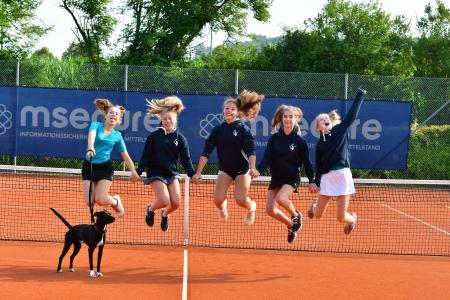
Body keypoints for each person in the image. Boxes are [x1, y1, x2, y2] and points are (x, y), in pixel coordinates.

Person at [192, 90, 264, 225]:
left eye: (232, 109)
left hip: (242, 170)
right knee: (217, 200)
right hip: (225, 169)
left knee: (240, 200)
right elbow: (206, 152)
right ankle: (223, 207)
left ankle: (251, 207)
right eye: (227, 108)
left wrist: (252, 167)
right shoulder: (217, 129)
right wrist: (198, 173)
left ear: (238, 112)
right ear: (223, 110)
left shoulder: (243, 128)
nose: (229, 111)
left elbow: (251, 151)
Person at [254, 105, 318, 243]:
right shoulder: (274, 139)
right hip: (276, 177)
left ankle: (296, 215)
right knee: (270, 210)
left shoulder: (300, 141)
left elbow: (307, 162)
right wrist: (259, 169)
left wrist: (312, 180)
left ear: (295, 119)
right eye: (285, 116)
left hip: (291, 178)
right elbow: (267, 157)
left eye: (291, 117)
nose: (288, 119)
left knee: (281, 199)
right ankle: (291, 226)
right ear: (281, 119)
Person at [307, 88, 366, 235]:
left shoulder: (339, 131)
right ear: (318, 127)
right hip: (327, 178)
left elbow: (351, 116)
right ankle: (314, 206)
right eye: (321, 119)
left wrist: (360, 95)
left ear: (330, 122)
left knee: (341, 218)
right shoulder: (319, 145)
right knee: (317, 215)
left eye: (326, 118)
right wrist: (315, 181)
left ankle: (352, 219)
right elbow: (320, 167)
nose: (325, 120)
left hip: (342, 175)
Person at [136, 96, 196, 232]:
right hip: (155, 172)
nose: (167, 121)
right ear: (161, 120)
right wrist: (138, 172)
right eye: (164, 119)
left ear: (175, 120)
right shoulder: (153, 136)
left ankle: (164, 214)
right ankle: (150, 209)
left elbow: (186, 159)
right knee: (164, 200)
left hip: (171, 173)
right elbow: (145, 156)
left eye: (170, 119)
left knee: (175, 203)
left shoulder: (180, 138)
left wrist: (192, 174)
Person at [82, 98, 140, 217]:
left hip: (105, 168)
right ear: (106, 115)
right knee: (89, 202)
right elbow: (91, 135)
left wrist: (133, 171)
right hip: (89, 166)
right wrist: (91, 147)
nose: (113, 115)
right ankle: (113, 201)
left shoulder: (117, 136)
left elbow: (125, 155)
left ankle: (116, 201)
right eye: (111, 113)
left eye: (116, 114)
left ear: (118, 120)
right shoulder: (96, 125)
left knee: (101, 199)